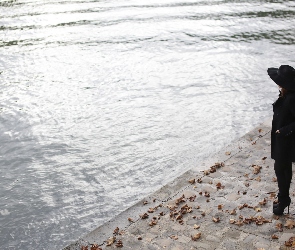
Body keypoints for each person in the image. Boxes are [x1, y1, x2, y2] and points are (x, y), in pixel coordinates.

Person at [268, 65, 295, 215]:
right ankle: (283, 198)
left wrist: (283, 130)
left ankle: (283, 199)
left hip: (286, 140)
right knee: (283, 169)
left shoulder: (292, 98)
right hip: (281, 139)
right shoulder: (286, 94)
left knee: (281, 169)